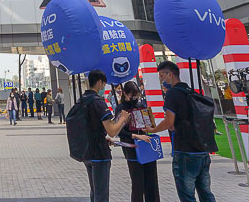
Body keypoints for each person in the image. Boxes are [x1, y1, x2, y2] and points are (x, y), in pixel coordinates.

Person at [140, 61, 216, 202]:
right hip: (202, 150)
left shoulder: (173, 94)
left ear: (170, 75)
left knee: (187, 195)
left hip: (185, 151)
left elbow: (169, 121)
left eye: (162, 76)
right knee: (206, 193)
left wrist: (153, 129)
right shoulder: (190, 92)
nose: (162, 80)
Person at [77, 70, 129, 202]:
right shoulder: (97, 102)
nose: (103, 88)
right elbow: (112, 131)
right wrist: (123, 119)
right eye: (104, 84)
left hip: (86, 152)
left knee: (95, 192)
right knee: (101, 194)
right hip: (99, 153)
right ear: (100, 82)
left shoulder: (82, 100)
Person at [117, 81, 159, 202]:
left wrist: (150, 122)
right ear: (125, 93)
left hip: (145, 144)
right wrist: (135, 136)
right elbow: (119, 131)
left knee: (152, 181)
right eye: (132, 95)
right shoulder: (121, 109)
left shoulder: (140, 105)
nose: (134, 99)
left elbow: (148, 124)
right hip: (131, 147)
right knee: (137, 183)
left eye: (136, 96)